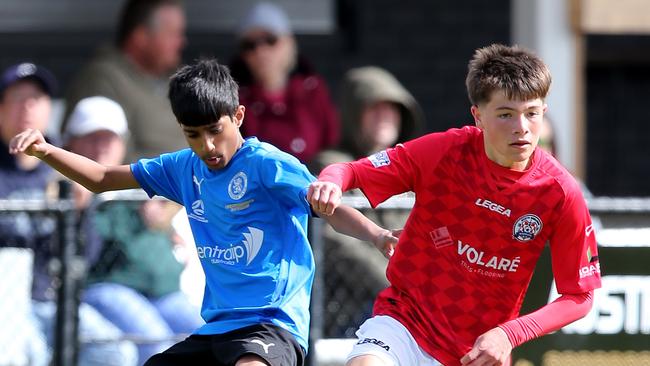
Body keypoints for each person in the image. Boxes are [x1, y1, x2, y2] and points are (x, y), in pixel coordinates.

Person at [9, 59, 397, 366]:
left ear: (239, 117)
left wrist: (377, 235)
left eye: (215, 130)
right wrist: (47, 151)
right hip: (217, 329)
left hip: (272, 325)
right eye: (193, 134)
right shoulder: (183, 168)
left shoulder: (266, 164)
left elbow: (330, 209)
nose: (207, 145)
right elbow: (101, 178)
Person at [307, 44, 602, 366]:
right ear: (478, 116)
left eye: (531, 113)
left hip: (476, 350)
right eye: (505, 114)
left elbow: (580, 296)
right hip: (404, 323)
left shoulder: (561, 192)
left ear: (543, 112)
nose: (521, 127)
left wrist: (509, 334)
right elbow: (349, 170)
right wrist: (331, 182)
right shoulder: (443, 152)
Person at [0, 63, 137, 366]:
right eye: (18, 98)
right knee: (29, 355)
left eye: (36, 99)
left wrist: (78, 212)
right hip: (6, 303)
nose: (28, 108)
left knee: (116, 352)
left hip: (56, 300)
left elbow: (87, 255)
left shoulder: (62, 166)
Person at [63, 96, 203, 365]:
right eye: (92, 137)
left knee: (210, 338)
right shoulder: (61, 185)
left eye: (110, 138)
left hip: (162, 290)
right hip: (106, 286)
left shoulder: (135, 182)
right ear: (71, 142)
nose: (102, 146)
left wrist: (165, 214)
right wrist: (80, 208)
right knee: (156, 343)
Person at [311, 66, 424, 337]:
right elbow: (337, 239)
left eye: (392, 109)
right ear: (354, 113)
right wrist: (397, 284)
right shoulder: (331, 166)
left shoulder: (413, 170)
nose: (385, 117)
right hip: (350, 312)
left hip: (414, 302)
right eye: (375, 108)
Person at [63, 0, 187, 161]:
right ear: (141, 37)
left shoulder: (177, 78)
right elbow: (105, 157)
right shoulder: (103, 79)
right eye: (172, 34)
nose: (182, 42)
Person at [230, 2, 340, 164]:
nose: (261, 51)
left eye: (270, 40)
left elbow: (332, 143)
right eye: (250, 45)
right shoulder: (236, 99)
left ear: (288, 43)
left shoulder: (313, 90)